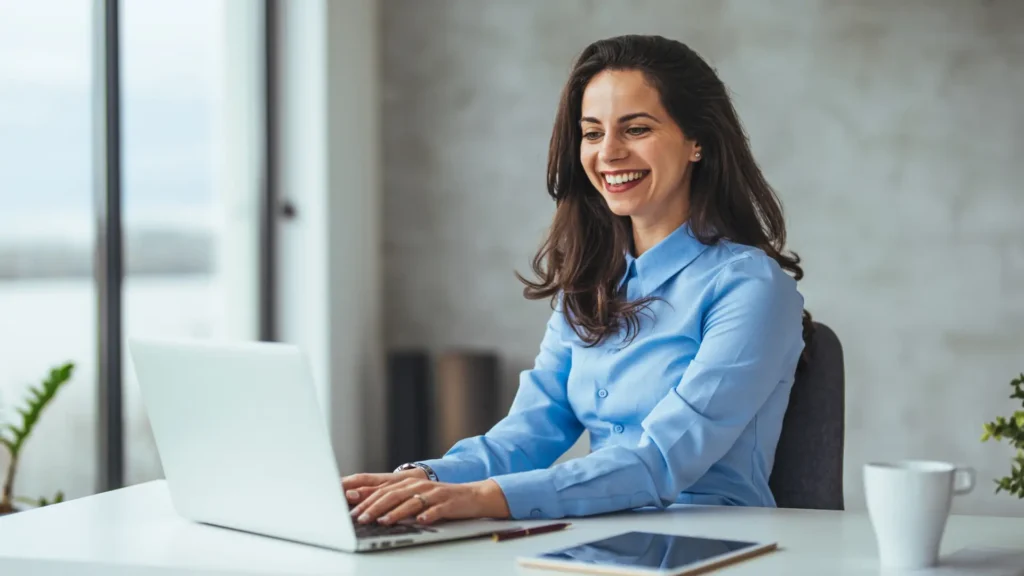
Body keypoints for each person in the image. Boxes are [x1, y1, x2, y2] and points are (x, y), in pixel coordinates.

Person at [343, 34, 812, 527]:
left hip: (716, 540)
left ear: (698, 141)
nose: (608, 153)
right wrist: (427, 480)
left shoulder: (751, 287)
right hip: (604, 529)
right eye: (592, 133)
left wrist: (484, 498)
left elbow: (660, 460)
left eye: (635, 129)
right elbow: (527, 432)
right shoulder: (590, 283)